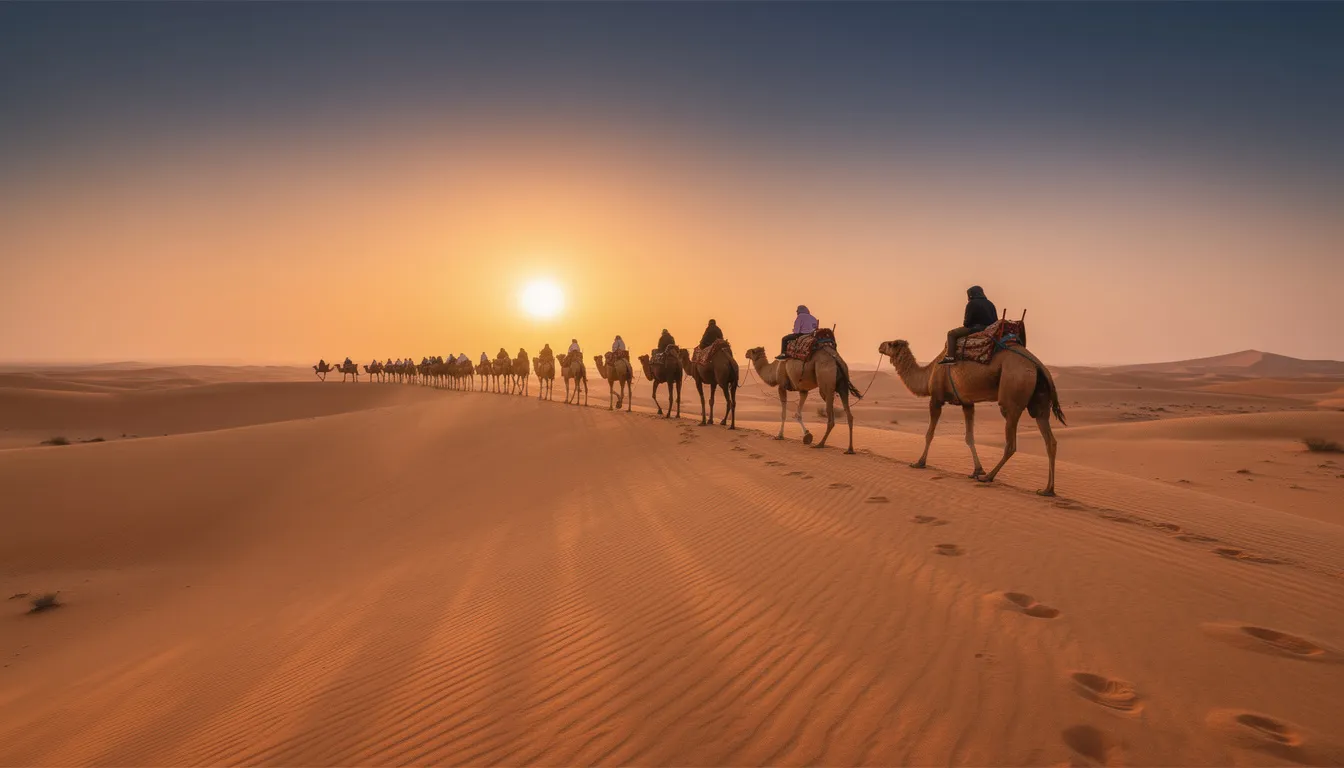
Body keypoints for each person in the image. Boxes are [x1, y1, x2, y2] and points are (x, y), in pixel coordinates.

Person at [940, 285, 998, 364]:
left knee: (951, 334)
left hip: (975, 329)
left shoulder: (972, 303)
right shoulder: (990, 304)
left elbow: (967, 323)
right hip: (989, 330)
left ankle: (950, 357)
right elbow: (996, 321)